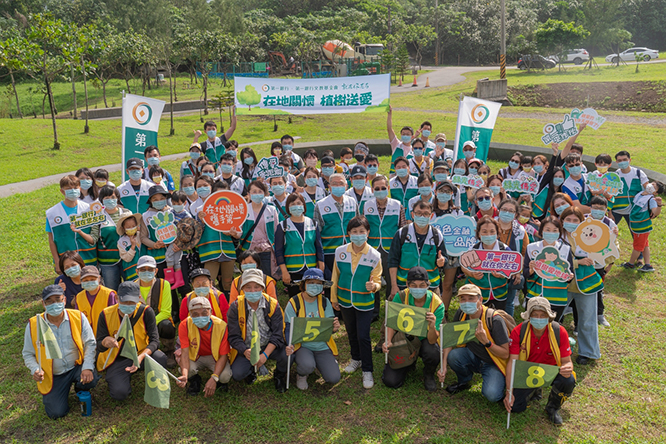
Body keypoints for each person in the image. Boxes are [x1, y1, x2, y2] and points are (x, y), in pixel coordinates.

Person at [22, 285, 98, 419]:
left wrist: (87, 367)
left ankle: (81, 388)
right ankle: (60, 394)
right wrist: (35, 369)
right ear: (43, 304)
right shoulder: (33, 324)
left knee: (91, 380)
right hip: (54, 374)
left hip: (76, 367)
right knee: (56, 413)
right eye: (49, 301)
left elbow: (90, 343)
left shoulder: (78, 316)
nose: (54, 304)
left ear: (64, 300)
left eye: (58, 299)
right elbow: (28, 353)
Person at [504, 297, 575, 425]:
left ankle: (552, 407)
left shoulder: (559, 332)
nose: (539, 318)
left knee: (568, 380)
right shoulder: (518, 331)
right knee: (516, 407)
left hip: (550, 372)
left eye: (543, 315)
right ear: (528, 316)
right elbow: (512, 363)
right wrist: (509, 392)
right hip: (527, 372)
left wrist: (568, 367)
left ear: (549, 316)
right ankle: (534, 391)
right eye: (535, 315)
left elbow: (567, 361)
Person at [331, 216, 383, 389]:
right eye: (354, 232)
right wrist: (334, 298)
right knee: (351, 332)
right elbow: (335, 276)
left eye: (362, 231)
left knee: (363, 336)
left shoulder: (374, 255)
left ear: (368, 232)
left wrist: (374, 286)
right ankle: (355, 359)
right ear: (348, 233)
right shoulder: (340, 252)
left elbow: (377, 280)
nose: (358, 235)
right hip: (345, 300)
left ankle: (367, 369)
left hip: (364, 302)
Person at [96, 281, 167, 400]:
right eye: (124, 302)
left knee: (160, 358)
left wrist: (140, 357)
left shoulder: (146, 312)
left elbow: (155, 341)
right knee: (119, 394)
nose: (128, 305)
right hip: (117, 358)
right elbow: (99, 344)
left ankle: (153, 382)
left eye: (132, 302)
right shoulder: (105, 314)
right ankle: (122, 377)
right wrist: (105, 342)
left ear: (139, 298)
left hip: (141, 354)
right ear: (116, 298)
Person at [438, 283, 510, 402]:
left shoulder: (494, 320)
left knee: (492, 395)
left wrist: (486, 342)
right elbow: (450, 340)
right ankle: (464, 381)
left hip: (493, 362)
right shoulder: (461, 313)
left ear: (480, 300)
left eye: (471, 298)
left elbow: (505, 354)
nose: (466, 302)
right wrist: (444, 366)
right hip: (473, 355)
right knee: (453, 356)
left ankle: (501, 384)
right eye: (463, 299)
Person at [382, 266, 444, 391]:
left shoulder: (437, 304)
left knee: (433, 352)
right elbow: (392, 323)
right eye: (413, 285)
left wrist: (432, 326)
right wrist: (387, 341)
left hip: (426, 339)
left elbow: (432, 340)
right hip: (405, 338)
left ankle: (429, 374)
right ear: (407, 285)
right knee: (391, 381)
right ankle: (409, 363)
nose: (418, 289)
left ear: (428, 285)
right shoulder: (400, 297)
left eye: (422, 285)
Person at [227, 269, 288, 392]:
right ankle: (250, 371)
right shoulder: (235, 307)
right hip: (247, 347)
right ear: (242, 289)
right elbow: (233, 336)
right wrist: (245, 351)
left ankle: (279, 375)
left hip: (269, 345)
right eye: (248, 287)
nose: (253, 291)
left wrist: (265, 355)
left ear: (262, 288)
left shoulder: (273, 305)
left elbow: (277, 334)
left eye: (257, 287)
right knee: (237, 374)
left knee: (286, 355)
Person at [361, 174, 407, 325]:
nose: (380, 191)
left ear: (388, 188)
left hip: (390, 248)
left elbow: (402, 228)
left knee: (391, 280)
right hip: (372, 248)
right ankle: (373, 312)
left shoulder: (397, 205)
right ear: (372, 190)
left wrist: (400, 248)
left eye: (383, 188)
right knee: (372, 280)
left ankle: (390, 310)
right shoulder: (366, 205)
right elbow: (363, 227)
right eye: (377, 188)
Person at [284, 268, 341, 390]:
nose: (315, 286)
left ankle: (319, 365)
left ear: (322, 286)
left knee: (334, 378)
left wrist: (335, 328)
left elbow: (330, 326)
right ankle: (302, 374)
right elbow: (288, 327)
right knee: (307, 366)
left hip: (322, 346)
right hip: (303, 345)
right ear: (303, 284)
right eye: (311, 282)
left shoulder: (325, 302)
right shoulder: (294, 302)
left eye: (318, 283)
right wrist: (289, 344)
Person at [560, 206, 602, 365]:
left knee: (587, 319)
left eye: (575, 220)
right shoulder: (556, 236)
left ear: (581, 222)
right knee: (553, 316)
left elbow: (606, 252)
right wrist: (578, 262)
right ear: (562, 221)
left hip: (586, 283)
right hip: (561, 283)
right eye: (568, 219)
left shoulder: (590, 235)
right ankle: (549, 348)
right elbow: (554, 259)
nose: (571, 223)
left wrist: (611, 236)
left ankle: (588, 352)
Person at [175, 296, 233, 396]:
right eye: (195, 314)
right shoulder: (185, 325)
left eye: (204, 313)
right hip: (195, 356)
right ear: (190, 314)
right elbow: (184, 353)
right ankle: (194, 380)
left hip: (215, 357)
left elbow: (223, 356)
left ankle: (218, 382)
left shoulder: (221, 326)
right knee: (186, 370)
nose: (200, 317)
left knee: (224, 376)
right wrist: (184, 375)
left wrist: (214, 377)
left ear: (211, 312)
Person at [389, 201, 447, 294]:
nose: (422, 217)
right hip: (404, 284)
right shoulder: (402, 233)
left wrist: (442, 261)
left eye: (426, 214)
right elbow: (392, 261)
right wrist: (394, 285)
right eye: (419, 213)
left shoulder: (436, 235)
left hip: (430, 285)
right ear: (412, 215)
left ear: (431, 216)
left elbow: (444, 258)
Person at [524, 216, 574, 321]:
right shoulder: (532, 247)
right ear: (541, 231)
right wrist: (531, 270)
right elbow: (525, 272)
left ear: (559, 232)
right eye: (547, 230)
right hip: (536, 295)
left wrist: (570, 277)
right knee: (533, 323)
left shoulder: (565, 249)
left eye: (555, 230)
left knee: (554, 325)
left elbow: (570, 273)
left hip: (558, 296)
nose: (551, 233)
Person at [275, 194, 325, 297]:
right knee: (296, 299)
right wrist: (284, 271)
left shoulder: (312, 223)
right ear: (288, 207)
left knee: (312, 297)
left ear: (303, 206)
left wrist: (321, 266)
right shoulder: (283, 226)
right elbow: (278, 251)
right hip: (293, 270)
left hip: (311, 268)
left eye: (298, 203)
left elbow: (319, 247)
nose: (296, 206)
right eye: (292, 204)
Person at [46, 175, 96, 272]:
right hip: (66, 261)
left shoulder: (88, 209)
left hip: (88, 258)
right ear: (62, 191)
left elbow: (94, 235)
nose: (73, 191)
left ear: (80, 189)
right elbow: (51, 240)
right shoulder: (52, 213)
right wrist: (57, 261)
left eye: (75, 188)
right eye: (69, 188)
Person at [196, 181, 239, 293]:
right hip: (210, 250)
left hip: (228, 249)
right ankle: (209, 303)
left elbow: (239, 232)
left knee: (228, 283)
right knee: (208, 283)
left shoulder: (233, 208)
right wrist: (200, 221)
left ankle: (228, 302)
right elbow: (196, 232)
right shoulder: (202, 209)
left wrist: (234, 234)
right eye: (218, 193)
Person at [313, 173, 358, 281]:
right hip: (330, 251)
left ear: (346, 186)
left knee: (349, 280)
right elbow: (317, 233)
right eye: (334, 184)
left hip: (351, 250)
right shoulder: (321, 205)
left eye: (341, 183)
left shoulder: (352, 202)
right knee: (332, 281)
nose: (338, 186)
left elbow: (357, 225)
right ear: (329, 186)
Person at [461, 216, 512, 310]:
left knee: (499, 315)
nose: (488, 235)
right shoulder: (473, 249)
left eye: (492, 231)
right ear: (479, 234)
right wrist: (472, 274)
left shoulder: (504, 250)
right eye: (484, 232)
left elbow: (512, 268)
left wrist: (502, 275)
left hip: (499, 291)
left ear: (497, 233)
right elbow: (463, 266)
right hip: (479, 291)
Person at [135, 256, 177, 363]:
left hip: (157, 321)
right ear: (137, 271)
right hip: (138, 323)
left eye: (150, 269)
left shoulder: (164, 284)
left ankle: (169, 351)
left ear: (156, 271)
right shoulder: (132, 286)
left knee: (166, 325)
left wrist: (149, 324)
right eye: (143, 269)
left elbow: (166, 312)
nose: (146, 272)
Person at [431, 181, 463, 314]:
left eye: (447, 192)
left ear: (451, 194)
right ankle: (432, 310)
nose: (444, 194)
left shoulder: (458, 212)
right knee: (432, 283)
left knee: (448, 284)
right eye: (441, 191)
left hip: (452, 253)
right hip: (432, 251)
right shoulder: (430, 212)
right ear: (435, 192)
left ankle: (443, 312)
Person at [91, 186, 131, 290]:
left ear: (117, 198)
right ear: (101, 200)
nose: (110, 200)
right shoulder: (98, 217)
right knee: (112, 290)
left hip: (128, 258)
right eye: (106, 198)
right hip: (107, 260)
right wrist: (79, 232)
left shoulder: (126, 213)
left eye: (113, 197)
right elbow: (93, 238)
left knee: (131, 288)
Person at [240, 180, 279, 278]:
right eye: (254, 191)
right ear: (248, 194)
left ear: (264, 194)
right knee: (250, 278)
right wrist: (234, 233)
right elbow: (239, 231)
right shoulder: (243, 210)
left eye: (260, 191)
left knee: (266, 277)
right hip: (248, 249)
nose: (257, 194)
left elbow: (276, 232)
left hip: (266, 249)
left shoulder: (271, 210)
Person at [496, 199, 527, 317]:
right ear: (498, 210)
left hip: (511, 273)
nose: (507, 213)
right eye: (504, 209)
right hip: (491, 270)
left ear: (516, 214)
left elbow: (523, 253)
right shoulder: (490, 226)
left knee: (509, 303)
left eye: (511, 211)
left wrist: (518, 271)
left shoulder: (520, 231)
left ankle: (508, 326)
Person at [623, 181, 663, 272]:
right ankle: (648, 265)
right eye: (652, 184)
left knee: (637, 247)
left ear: (655, 193)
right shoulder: (640, 194)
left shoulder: (651, 199)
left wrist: (659, 205)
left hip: (642, 227)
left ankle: (630, 264)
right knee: (645, 245)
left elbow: (655, 212)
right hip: (637, 225)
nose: (651, 186)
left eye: (654, 187)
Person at [73, 266, 117, 336]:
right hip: (87, 336)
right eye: (85, 280)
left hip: (107, 335)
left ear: (99, 279)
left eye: (92, 279)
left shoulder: (109, 294)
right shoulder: (79, 297)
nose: (89, 282)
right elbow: (78, 318)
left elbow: (115, 317)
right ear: (81, 281)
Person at [139, 186, 172, 277]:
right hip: (158, 254)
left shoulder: (172, 212)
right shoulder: (146, 216)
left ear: (166, 198)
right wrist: (154, 244)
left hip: (174, 252)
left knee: (180, 281)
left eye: (162, 198)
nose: (159, 201)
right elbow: (143, 237)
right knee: (162, 281)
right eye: (155, 199)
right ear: (150, 201)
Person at [612, 150, 650, 227]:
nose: (622, 162)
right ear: (616, 162)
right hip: (617, 209)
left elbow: (648, 189)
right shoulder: (614, 176)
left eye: (624, 159)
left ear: (630, 160)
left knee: (635, 231)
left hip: (634, 210)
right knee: (608, 230)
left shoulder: (638, 173)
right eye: (619, 160)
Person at [387, 106, 413, 174]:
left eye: (408, 134)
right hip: (394, 177)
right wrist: (389, 114)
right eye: (403, 134)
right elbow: (389, 129)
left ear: (412, 137)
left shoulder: (414, 150)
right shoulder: (396, 144)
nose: (405, 136)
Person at [116, 212, 142, 282]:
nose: (131, 228)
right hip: (131, 271)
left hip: (144, 268)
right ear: (123, 228)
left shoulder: (141, 235)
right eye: (128, 227)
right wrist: (133, 246)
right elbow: (126, 258)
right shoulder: (121, 242)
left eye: (133, 226)